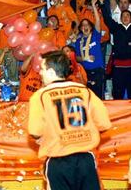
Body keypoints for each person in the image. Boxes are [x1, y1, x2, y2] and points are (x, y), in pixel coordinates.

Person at [28, 50, 111, 190]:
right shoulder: (85, 90)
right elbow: (104, 123)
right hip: (86, 159)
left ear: (52, 72)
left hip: (58, 160)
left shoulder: (40, 96)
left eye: (42, 69)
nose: (40, 73)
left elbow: (35, 131)